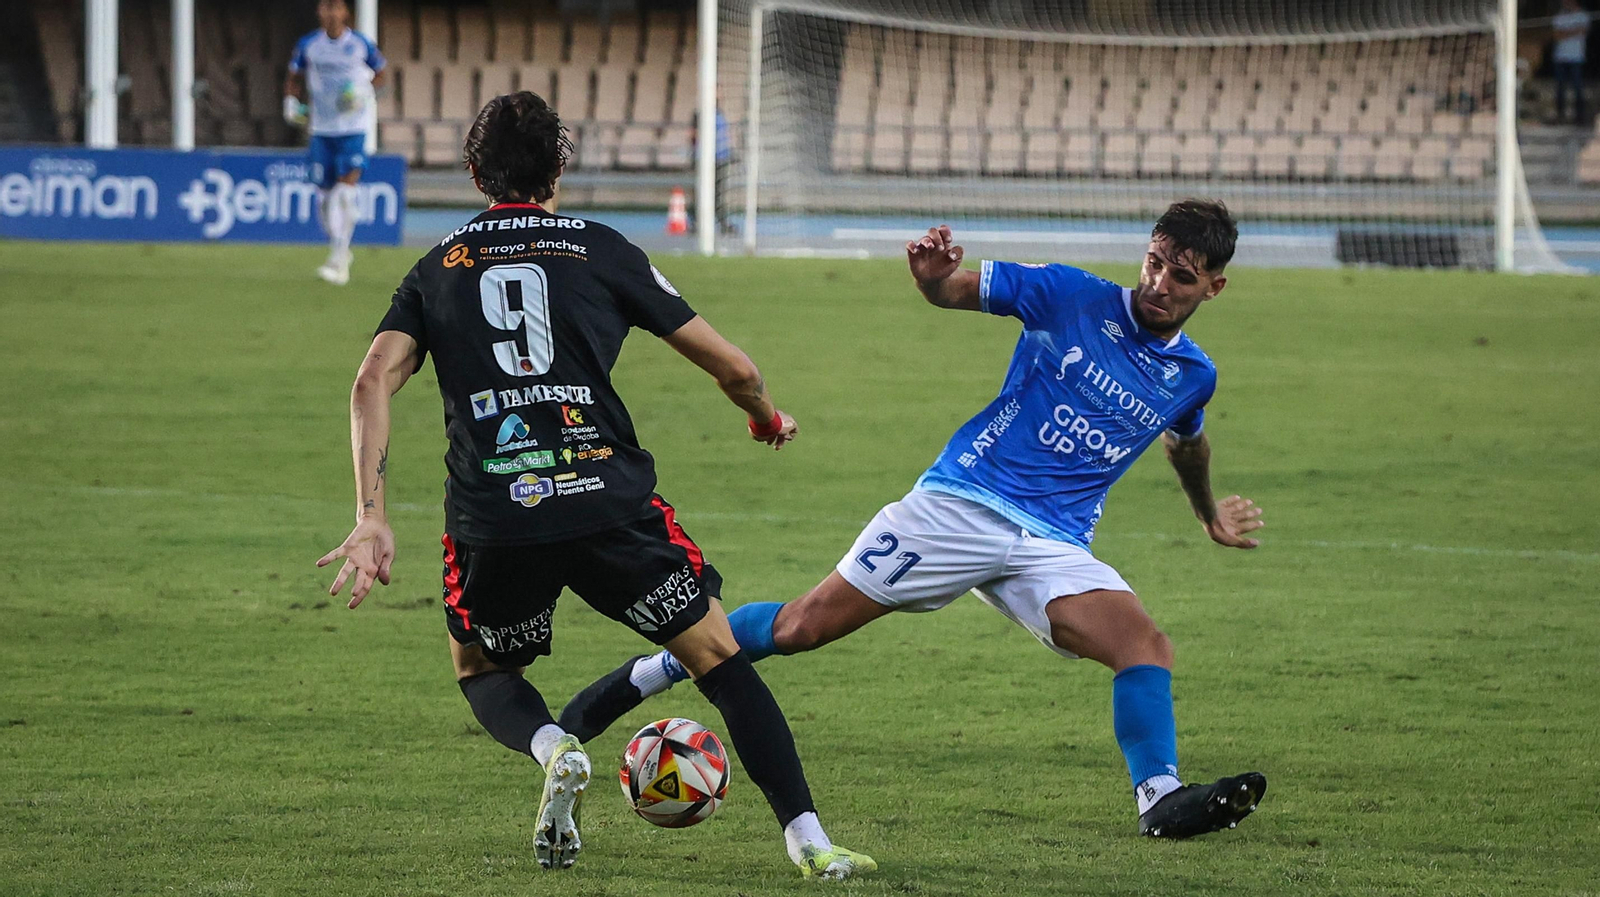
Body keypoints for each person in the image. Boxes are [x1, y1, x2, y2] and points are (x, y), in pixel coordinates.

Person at [559, 200, 1269, 840]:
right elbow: (955, 289)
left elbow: (1188, 440)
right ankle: (654, 669)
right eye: (1154, 261)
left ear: (1213, 287)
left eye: (1181, 275)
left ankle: (1160, 796)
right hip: (960, 504)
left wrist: (1208, 514)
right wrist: (932, 277)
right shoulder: (1072, 294)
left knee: (1145, 644)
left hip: (1052, 543)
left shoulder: (1193, 374)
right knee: (802, 626)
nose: (1158, 283)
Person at [315, 91, 875, 879]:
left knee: (483, 669)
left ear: (475, 173)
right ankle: (811, 843)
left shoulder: (436, 266)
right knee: (718, 657)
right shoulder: (598, 247)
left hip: (495, 516)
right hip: (607, 499)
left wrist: (371, 514)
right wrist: (764, 414)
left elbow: (372, 377)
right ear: (558, 170)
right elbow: (736, 366)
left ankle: (555, 747)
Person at [283, 0, 386, 286]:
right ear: (319, 11)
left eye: (336, 7)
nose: (331, 13)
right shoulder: (309, 45)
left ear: (345, 13)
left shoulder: (360, 44)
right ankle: (340, 248)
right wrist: (291, 102)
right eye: (326, 7)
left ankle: (339, 261)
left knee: (344, 192)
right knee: (324, 200)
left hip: (353, 128)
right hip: (321, 129)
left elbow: (381, 75)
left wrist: (363, 94)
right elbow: (294, 76)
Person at [1552, 0, 1591, 125]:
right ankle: (1560, 116)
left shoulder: (1583, 15)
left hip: (1576, 57)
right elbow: (1557, 35)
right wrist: (1574, 30)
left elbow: (1583, 31)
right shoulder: (1559, 16)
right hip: (1560, 57)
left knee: (1578, 88)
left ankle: (1580, 117)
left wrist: (1565, 32)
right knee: (1560, 88)